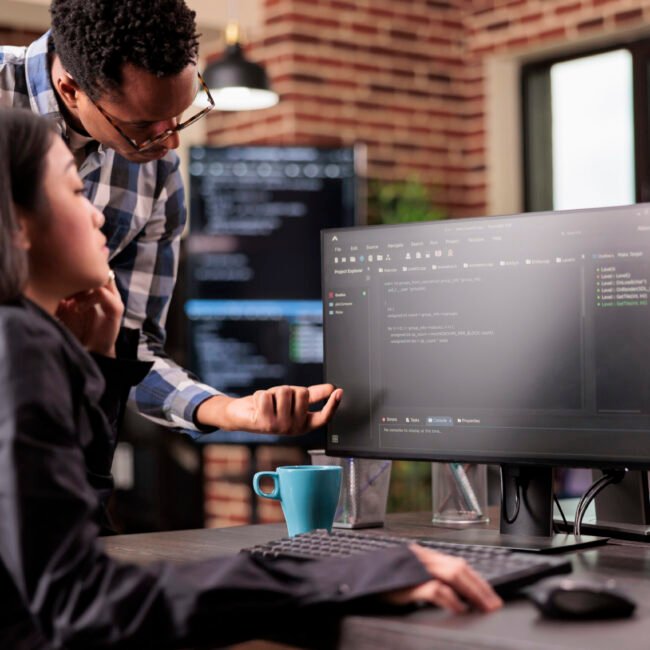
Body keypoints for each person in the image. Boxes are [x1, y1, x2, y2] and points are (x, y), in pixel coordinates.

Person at [0, 107, 501, 649]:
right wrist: (343, 578)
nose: (99, 215)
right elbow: (78, 602)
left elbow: (64, 545)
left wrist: (99, 365)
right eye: (76, 191)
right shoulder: (18, 346)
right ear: (19, 224)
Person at [0, 0, 341, 437]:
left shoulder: (157, 173)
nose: (172, 140)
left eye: (181, 111)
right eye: (144, 124)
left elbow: (135, 347)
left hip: (61, 435)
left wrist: (233, 411)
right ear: (71, 90)